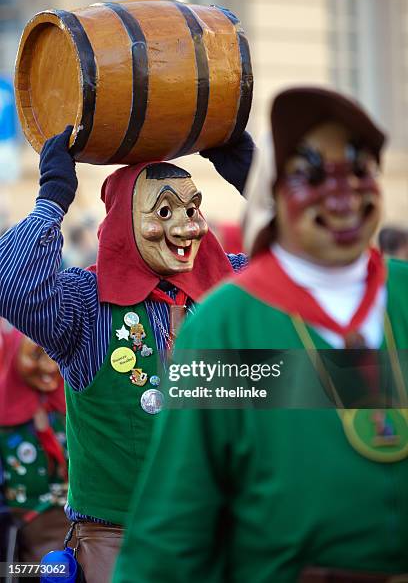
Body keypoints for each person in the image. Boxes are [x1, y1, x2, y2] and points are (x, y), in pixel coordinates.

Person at [113, 87, 408, 583]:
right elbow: (177, 523)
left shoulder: (401, 297)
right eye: (310, 174)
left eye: (359, 169)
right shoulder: (228, 323)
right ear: (273, 190)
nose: (343, 192)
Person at [0, 127, 253, 583]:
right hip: (123, 553)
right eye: (163, 211)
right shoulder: (87, 304)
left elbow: (316, 281)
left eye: (192, 209)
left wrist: (260, 185)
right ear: (122, 222)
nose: (185, 226)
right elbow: (13, 285)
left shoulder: (230, 286)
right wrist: (52, 198)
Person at [0, 327, 69, 578]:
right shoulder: (5, 418)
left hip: (74, 527)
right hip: (25, 529)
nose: (49, 367)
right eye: (36, 355)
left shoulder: (67, 408)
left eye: (52, 356)